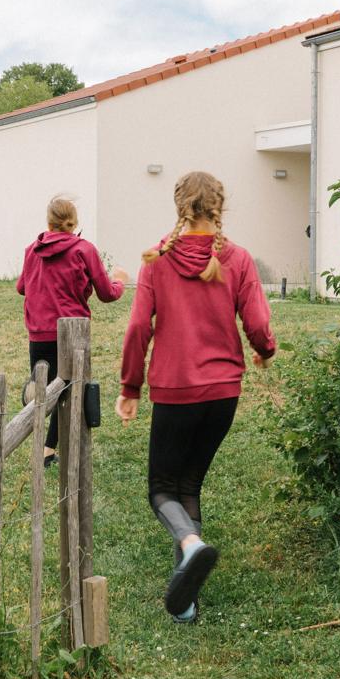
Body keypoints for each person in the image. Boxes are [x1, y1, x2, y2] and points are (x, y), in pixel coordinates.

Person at [115, 171, 276, 623]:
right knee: (188, 485)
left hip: (176, 391)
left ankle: (191, 545)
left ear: (179, 205)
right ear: (219, 207)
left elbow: (137, 328)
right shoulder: (238, 258)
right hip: (223, 395)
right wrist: (265, 351)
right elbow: (259, 323)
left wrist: (130, 388)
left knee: (162, 490)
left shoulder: (156, 261)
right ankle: (184, 599)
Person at [17, 195, 128, 466]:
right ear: (74, 223)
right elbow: (107, 293)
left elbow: (22, 287)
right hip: (72, 331)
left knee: (46, 391)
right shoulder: (83, 249)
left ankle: (42, 437)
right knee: (66, 391)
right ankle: (47, 449)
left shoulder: (33, 250)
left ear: (49, 222)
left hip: (39, 331)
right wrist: (120, 282)